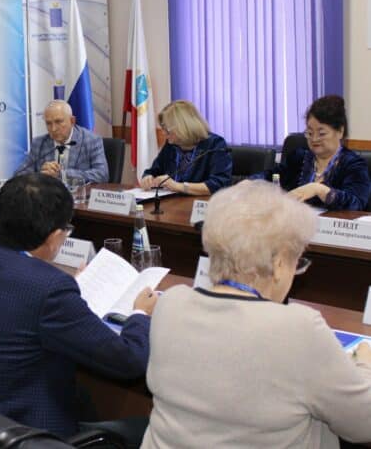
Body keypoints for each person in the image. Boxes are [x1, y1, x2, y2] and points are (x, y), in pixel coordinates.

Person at [141, 181, 371, 449]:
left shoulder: (170, 304)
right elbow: (363, 423)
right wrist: (364, 364)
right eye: (297, 261)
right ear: (279, 264)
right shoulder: (299, 329)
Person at [0, 173, 155, 443]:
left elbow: (19, 292)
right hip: (30, 435)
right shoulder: (49, 288)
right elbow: (129, 361)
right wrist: (140, 313)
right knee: (143, 428)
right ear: (54, 237)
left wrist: (61, 285)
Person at [254, 95, 370, 210]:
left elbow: (357, 203)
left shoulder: (353, 164)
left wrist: (318, 190)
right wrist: (251, 183)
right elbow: (271, 176)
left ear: (340, 131)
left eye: (321, 133)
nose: (314, 139)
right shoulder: (299, 157)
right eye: (310, 133)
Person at [140, 100, 232, 194]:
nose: (163, 133)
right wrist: (147, 177)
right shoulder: (171, 145)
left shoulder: (215, 144)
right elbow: (154, 170)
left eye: (166, 129)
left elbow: (219, 184)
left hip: (203, 201)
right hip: (173, 200)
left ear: (183, 126)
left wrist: (178, 186)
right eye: (162, 128)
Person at [13, 100, 109, 183]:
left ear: (72, 121)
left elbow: (102, 175)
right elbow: (19, 174)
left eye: (58, 122)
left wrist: (62, 175)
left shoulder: (91, 141)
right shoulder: (39, 143)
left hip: (78, 195)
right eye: (48, 123)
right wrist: (41, 175)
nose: (53, 129)